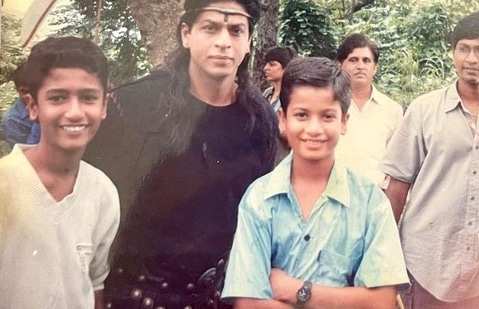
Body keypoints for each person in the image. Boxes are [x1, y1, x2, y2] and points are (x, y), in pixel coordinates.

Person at [83, 0, 279, 308]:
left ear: (248, 42)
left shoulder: (260, 120)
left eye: (236, 30)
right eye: (210, 28)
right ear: (186, 34)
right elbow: (87, 199)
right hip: (135, 293)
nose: (223, 42)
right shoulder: (134, 106)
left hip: (221, 294)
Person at [222, 57, 409, 309]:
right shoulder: (259, 199)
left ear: (344, 122)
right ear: (283, 119)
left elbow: (380, 301)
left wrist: (298, 290)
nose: (314, 128)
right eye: (301, 115)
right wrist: (347, 300)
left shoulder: (370, 203)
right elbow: (248, 302)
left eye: (327, 116)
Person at [380, 11, 479, 309]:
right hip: (425, 263)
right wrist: (384, 257)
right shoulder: (424, 110)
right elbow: (397, 186)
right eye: (464, 48)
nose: (471, 58)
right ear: (453, 53)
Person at [0, 36, 120, 308]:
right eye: (58, 98)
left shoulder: (103, 193)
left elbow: (94, 284)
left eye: (88, 97)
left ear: (103, 106)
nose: (75, 112)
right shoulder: (4, 185)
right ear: (32, 106)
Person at [335, 33, 403, 184]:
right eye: (353, 60)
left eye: (366, 61)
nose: (360, 66)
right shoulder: (328, 106)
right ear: (340, 66)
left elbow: (398, 164)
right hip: (332, 195)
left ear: (375, 68)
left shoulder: (392, 110)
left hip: (375, 198)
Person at [1, 62, 41, 148]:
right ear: (17, 90)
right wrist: (39, 122)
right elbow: (23, 155)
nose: (30, 96)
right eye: (25, 92)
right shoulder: (12, 120)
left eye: (34, 91)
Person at [262, 46, 297, 111]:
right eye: (266, 64)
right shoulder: (267, 93)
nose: (265, 68)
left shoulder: (293, 94)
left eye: (272, 64)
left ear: (286, 67)